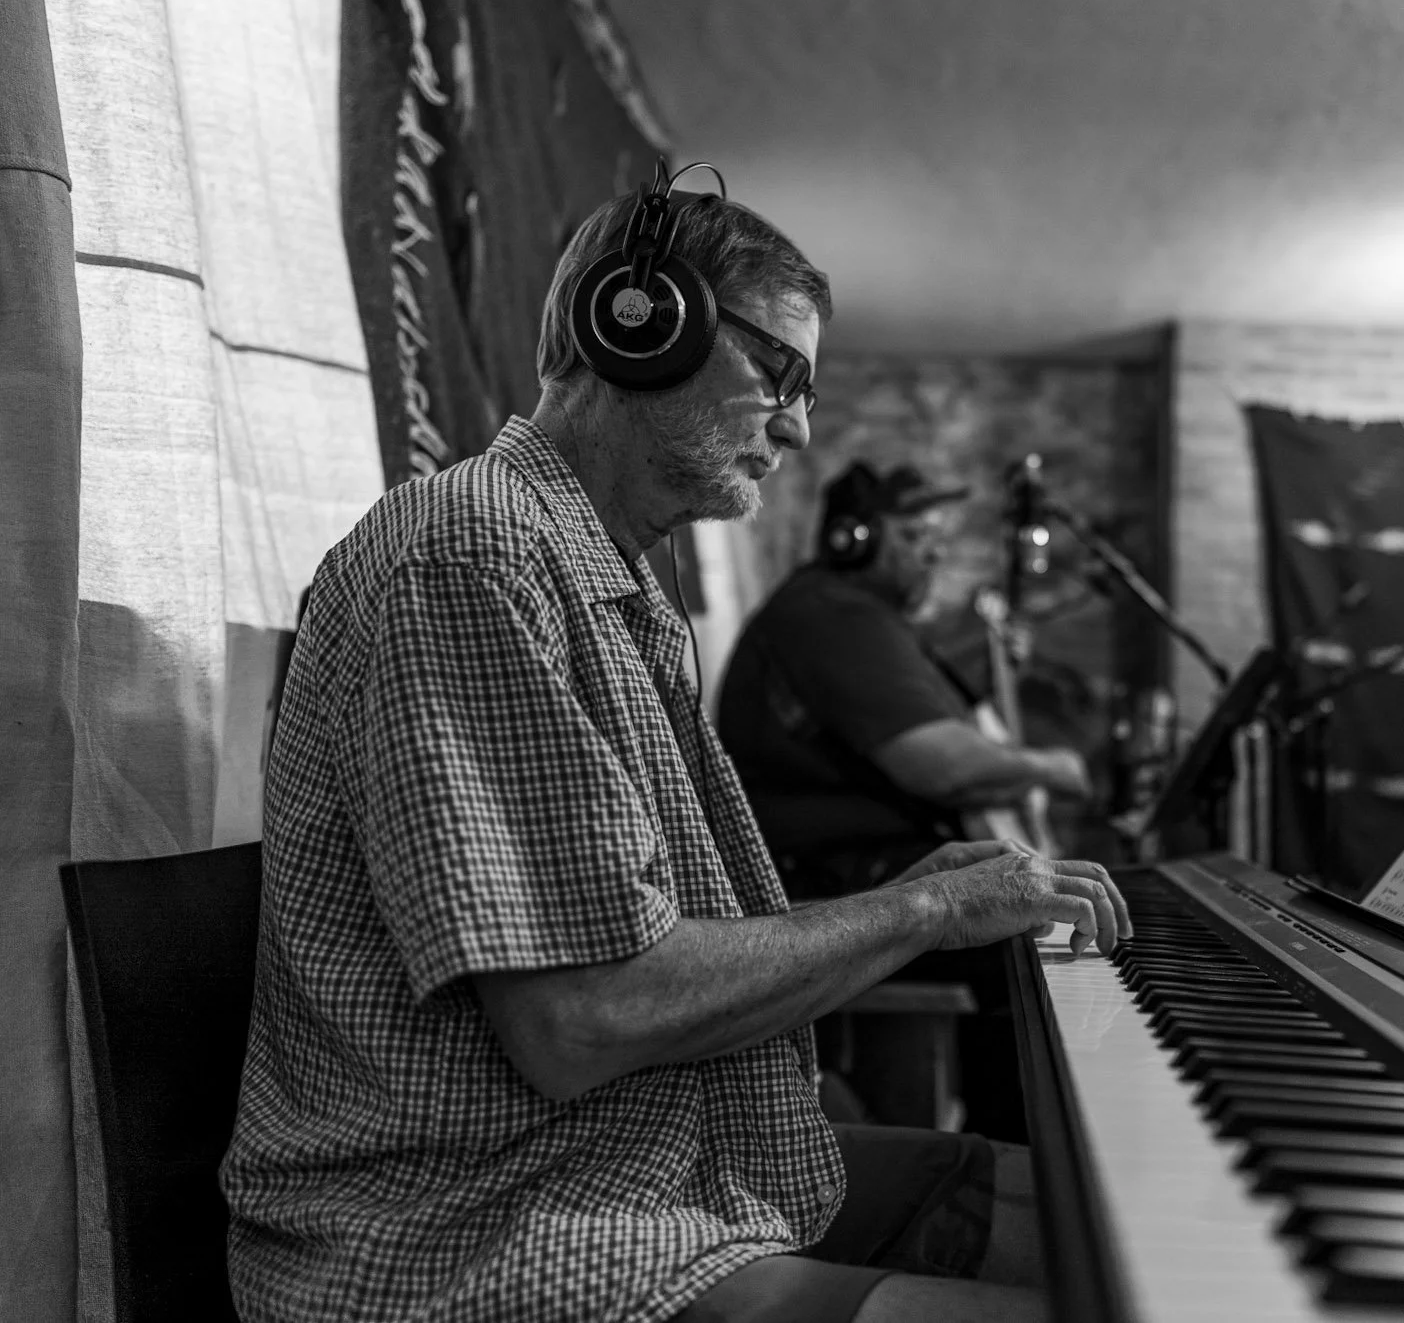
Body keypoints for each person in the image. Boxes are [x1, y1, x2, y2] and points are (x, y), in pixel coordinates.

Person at [219, 174, 1130, 1323]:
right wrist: (922, 918)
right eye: (780, 376)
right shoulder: (467, 557)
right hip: (476, 1234)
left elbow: (636, 946)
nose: (798, 426)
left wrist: (906, 899)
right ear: (639, 325)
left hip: (642, 1168)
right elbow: (583, 1016)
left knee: (1103, 1224)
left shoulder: (603, 576)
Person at [718, 461, 1092, 902]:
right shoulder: (836, 616)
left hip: (864, 869)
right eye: (913, 536)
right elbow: (942, 768)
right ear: (854, 542)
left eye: (937, 539)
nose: (934, 554)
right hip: (829, 887)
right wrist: (1050, 768)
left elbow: (914, 708)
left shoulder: (858, 614)